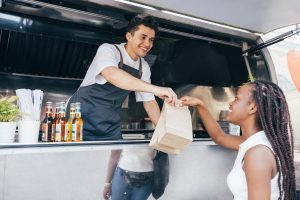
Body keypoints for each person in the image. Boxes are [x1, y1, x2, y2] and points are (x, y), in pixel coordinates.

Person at [63, 14, 174, 200]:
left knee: (111, 167)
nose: (147, 43)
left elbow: (149, 103)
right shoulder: (109, 50)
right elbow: (112, 74)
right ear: (129, 36)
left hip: (108, 121)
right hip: (79, 118)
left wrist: (166, 134)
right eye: (143, 37)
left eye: (151, 40)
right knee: (75, 168)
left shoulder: (143, 67)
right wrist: (155, 88)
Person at [180, 80, 296, 200]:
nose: (231, 103)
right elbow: (220, 137)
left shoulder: (257, 154)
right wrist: (200, 105)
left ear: (252, 108)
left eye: (237, 99)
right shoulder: (254, 143)